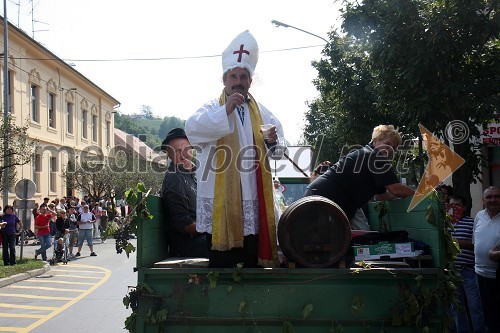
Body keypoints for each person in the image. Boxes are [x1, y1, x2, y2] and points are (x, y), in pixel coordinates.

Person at [185, 30, 285, 268]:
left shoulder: (262, 112)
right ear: (224, 80)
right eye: (233, 76)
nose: (238, 81)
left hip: (251, 196)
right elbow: (192, 130)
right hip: (221, 201)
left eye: (243, 76)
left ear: (250, 81)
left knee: (250, 265)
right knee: (223, 267)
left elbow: (280, 151)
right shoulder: (212, 106)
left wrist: (272, 141)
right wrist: (226, 110)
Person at [306, 125, 415, 221]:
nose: (391, 149)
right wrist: (420, 194)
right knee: (326, 240)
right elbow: (396, 189)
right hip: (327, 200)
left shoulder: (366, 154)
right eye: (387, 143)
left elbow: (382, 195)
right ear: (375, 141)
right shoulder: (376, 157)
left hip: (319, 195)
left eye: (394, 148)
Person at [160, 128, 208, 258]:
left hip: (199, 240)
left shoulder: (193, 176)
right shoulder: (174, 177)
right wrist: (213, 229)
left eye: (186, 149)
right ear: (169, 156)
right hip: (188, 246)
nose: (183, 155)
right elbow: (184, 224)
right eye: (176, 152)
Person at [447, 195, 485, 333]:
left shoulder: (472, 222)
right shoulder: (445, 223)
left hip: (468, 270)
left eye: (457, 206)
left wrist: (460, 244)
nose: (454, 208)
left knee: (475, 306)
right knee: (457, 307)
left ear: (464, 207)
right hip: (452, 272)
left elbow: (478, 244)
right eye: (451, 206)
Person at [473, 186, 500, 333]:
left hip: (497, 274)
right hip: (481, 274)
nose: (493, 200)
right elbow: (475, 241)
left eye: (497, 196)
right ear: (483, 200)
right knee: (487, 315)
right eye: (489, 197)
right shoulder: (479, 216)